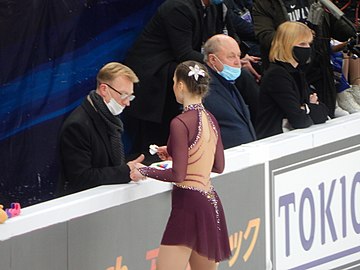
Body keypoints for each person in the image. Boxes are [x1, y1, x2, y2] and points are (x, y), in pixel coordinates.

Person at [130, 60, 231, 270]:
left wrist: (144, 170)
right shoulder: (210, 119)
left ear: (182, 86)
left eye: (175, 81)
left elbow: (178, 174)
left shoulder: (180, 122)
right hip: (209, 201)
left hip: (188, 204)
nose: (174, 86)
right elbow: (218, 165)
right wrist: (176, 151)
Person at [252, 0, 356, 118]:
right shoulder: (265, 3)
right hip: (289, 73)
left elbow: (342, 32)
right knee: (302, 119)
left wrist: (346, 25)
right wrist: (298, 36)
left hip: (320, 70)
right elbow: (265, 36)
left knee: (325, 115)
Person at [57, 62, 145, 196]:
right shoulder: (77, 126)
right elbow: (81, 178)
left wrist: (129, 169)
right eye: (123, 95)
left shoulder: (109, 118)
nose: (127, 103)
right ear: (104, 89)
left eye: (130, 96)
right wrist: (125, 171)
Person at [256, 22, 329, 139]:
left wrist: (305, 108)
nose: (308, 48)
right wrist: (309, 107)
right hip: (274, 141)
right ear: (287, 45)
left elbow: (323, 113)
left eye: (309, 44)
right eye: (302, 43)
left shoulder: (297, 72)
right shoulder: (277, 74)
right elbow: (299, 119)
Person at [203, 34, 257, 148]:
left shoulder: (229, 81)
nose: (238, 62)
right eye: (231, 57)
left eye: (238, 56)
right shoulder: (204, 89)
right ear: (213, 59)